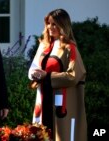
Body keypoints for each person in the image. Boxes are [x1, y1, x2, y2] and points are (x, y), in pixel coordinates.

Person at [28, 9, 87, 141]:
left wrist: (47, 76)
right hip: (43, 98)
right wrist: (34, 74)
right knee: (41, 134)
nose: (50, 27)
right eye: (49, 23)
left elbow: (74, 75)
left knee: (62, 135)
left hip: (61, 102)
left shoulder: (69, 48)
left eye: (54, 24)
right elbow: (33, 68)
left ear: (63, 25)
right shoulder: (43, 45)